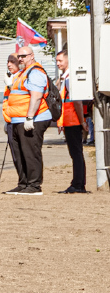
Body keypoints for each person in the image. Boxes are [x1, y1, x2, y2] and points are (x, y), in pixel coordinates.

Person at [2, 45, 52, 195]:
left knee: (30, 152)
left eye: (23, 56)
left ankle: (34, 185)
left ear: (31, 56)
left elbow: (36, 96)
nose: (21, 59)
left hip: (33, 118)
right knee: (21, 153)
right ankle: (23, 183)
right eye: (19, 57)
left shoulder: (35, 72)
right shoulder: (23, 73)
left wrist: (30, 117)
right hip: (18, 119)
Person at [55, 49, 89, 194]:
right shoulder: (65, 77)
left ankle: (78, 184)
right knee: (75, 153)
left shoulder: (69, 79)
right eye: (56, 61)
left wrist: (82, 121)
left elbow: (77, 102)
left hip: (73, 121)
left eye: (60, 61)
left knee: (76, 153)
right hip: (69, 120)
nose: (58, 63)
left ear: (68, 61)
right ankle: (78, 183)